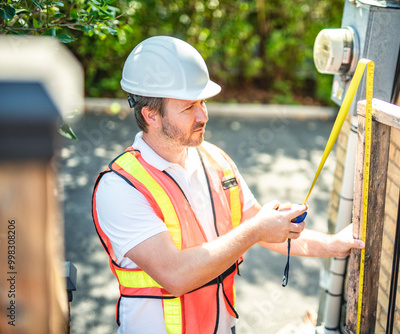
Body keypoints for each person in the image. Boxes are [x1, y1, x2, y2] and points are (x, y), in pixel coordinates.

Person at [92, 36, 365, 334]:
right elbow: (175, 274)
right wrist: (257, 229)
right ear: (151, 115)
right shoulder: (120, 187)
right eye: (188, 108)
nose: (204, 115)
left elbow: (264, 229)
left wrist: (333, 245)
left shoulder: (216, 162)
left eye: (203, 102)